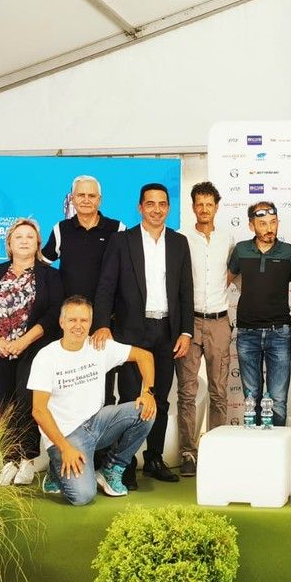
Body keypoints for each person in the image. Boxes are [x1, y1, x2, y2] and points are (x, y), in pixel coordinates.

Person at [93, 183, 193, 485]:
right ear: (140, 207)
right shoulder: (121, 241)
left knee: (160, 398)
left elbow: (185, 290)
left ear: (168, 208)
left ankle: (154, 458)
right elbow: (106, 286)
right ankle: (123, 463)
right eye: (150, 204)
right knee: (130, 398)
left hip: (167, 331)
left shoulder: (179, 242)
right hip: (130, 331)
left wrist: (186, 331)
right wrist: (102, 324)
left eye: (162, 204)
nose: (156, 209)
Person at [28, 296, 156, 505]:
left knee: (146, 409)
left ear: (91, 323)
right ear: (61, 322)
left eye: (84, 320)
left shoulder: (99, 347)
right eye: (72, 320)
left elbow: (145, 356)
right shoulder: (46, 357)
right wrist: (65, 448)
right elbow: (39, 410)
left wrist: (148, 392)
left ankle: (111, 468)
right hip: (67, 436)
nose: (78, 326)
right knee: (83, 496)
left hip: (97, 424)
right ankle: (56, 469)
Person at [0, 219, 64, 486]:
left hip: (33, 350)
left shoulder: (50, 276)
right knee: (2, 405)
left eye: (30, 237)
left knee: (27, 403)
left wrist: (23, 341)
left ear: (38, 244)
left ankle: (27, 461)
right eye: (19, 237)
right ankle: (8, 461)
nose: (24, 241)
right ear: (9, 244)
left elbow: (53, 314)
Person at [41, 175, 125, 404]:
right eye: (81, 195)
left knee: (104, 387)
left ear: (100, 200)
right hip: (70, 323)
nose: (86, 200)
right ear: (72, 199)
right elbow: (40, 265)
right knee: (69, 385)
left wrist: (108, 320)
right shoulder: (61, 229)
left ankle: (105, 428)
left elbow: (128, 273)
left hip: (104, 323)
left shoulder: (118, 229)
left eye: (91, 195)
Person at [228, 201, 291, 426]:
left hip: (279, 333)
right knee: (251, 398)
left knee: (278, 399)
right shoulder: (241, 250)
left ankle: (277, 442)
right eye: (262, 224)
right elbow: (223, 282)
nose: (269, 228)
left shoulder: (288, 252)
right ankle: (254, 444)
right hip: (247, 333)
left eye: (273, 222)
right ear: (251, 226)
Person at [175, 182, 233, 476]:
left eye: (209, 204)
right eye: (200, 204)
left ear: (216, 207)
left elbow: (232, 276)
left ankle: (217, 450)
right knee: (187, 391)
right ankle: (188, 452)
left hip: (220, 322)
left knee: (219, 391)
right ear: (193, 206)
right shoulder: (181, 238)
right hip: (189, 322)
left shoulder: (228, 239)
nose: (204, 209)